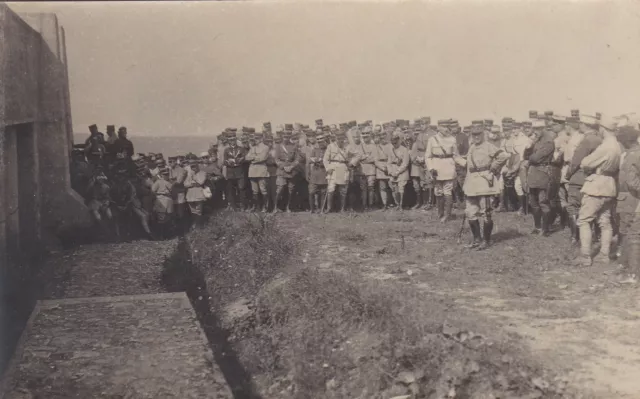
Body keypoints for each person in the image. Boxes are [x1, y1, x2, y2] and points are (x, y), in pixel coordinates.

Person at [573, 115, 622, 267]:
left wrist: (589, 166)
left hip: (596, 185)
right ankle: (604, 254)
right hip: (610, 185)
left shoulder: (606, 145)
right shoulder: (618, 145)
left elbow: (585, 163)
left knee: (584, 220)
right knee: (605, 222)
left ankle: (585, 255)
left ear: (604, 129)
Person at [462, 124, 510, 249]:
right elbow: (469, 167)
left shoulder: (488, 146)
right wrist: (466, 184)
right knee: (470, 212)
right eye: (474, 135)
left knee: (486, 212)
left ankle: (486, 240)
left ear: (483, 135)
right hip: (472, 184)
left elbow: (503, 156)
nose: (476, 137)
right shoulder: (472, 147)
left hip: (484, 183)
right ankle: (477, 239)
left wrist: (493, 169)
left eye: (478, 134)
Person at [564, 115, 603, 245]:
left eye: (581, 123)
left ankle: (575, 237)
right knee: (593, 208)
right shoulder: (600, 139)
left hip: (580, 177)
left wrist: (568, 175)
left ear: (584, 124)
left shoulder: (586, 140)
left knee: (573, 207)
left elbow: (575, 161)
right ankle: (596, 236)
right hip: (595, 177)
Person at [425, 119, 462, 222]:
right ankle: (440, 213)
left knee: (447, 191)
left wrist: (465, 163)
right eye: (444, 127)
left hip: (448, 167)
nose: (447, 129)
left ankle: (447, 215)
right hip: (436, 168)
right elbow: (427, 156)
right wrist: (431, 168)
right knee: (438, 191)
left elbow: (456, 155)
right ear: (439, 127)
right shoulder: (432, 140)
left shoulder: (452, 139)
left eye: (448, 127)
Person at [524, 120, 555, 236]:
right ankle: (537, 227)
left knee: (543, 201)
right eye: (534, 129)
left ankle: (545, 228)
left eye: (537, 129)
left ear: (543, 128)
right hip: (533, 173)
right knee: (533, 201)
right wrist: (529, 147)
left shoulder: (548, 141)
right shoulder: (536, 140)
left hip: (542, 173)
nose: (535, 131)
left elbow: (536, 158)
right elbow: (526, 156)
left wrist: (530, 157)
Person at [618, 126, 640, 278]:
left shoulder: (632, 155)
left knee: (629, 232)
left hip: (630, 197)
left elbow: (632, 181)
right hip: (630, 196)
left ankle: (629, 270)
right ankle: (625, 265)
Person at [274, 129, 301, 213]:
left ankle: (287, 207)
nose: (286, 138)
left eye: (288, 137)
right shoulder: (278, 146)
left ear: (290, 137)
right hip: (282, 171)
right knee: (280, 189)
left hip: (291, 171)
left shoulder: (294, 146)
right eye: (284, 136)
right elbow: (276, 159)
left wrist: (292, 166)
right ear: (282, 136)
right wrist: (283, 166)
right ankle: (275, 207)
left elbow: (297, 159)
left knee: (291, 189)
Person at [323, 131, 351, 212]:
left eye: (341, 138)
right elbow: (325, 159)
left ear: (344, 139)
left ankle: (342, 208)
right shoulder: (330, 146)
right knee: (330, 189)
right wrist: (328, 168)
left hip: (343, 167)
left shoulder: (348, 147)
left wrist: (352, 162)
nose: (340, 140)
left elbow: (357, 155)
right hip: (333, 168)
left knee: (343, 190)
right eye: (338, 138)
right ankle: (329, 208)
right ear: (335, 138)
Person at [245, 132, 271, 212]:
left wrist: (253, 159)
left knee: (263, 189)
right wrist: (255, 158)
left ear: (261, 139)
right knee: (254, 190)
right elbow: (246, 158)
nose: (255, 140)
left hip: (261, 171)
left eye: (256, 139)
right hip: (252, 171)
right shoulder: (252, 147)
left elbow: (262, 158)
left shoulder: (266, 147)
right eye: (254, 139)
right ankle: (256, 206)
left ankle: (265, 207)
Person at [223, 132, 248, 211]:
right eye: (230, 140)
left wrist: (238, 160)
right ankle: (234, 207)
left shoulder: (241, 149)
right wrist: (229, 162)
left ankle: (243, 206)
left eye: (233, 139)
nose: (232, 141)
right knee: (231, 190)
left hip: (239, 171)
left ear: (236, 140)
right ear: (228, 141)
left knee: (241, 189)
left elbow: (244, 158)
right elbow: (224, 161)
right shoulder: (226, 150)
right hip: (230, 172)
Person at [388, 130, 411, 210]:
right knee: (394, 189)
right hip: (393, 171)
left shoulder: (404, 150)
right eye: (392, 143)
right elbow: (389, 162)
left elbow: (405, 163)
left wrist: (397, 172)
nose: (394, 144)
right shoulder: (391, 149)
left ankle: (401, 205)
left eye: (395, 143)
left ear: (398, 141)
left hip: (402, 172)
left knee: (401, 189)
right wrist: (391, 171)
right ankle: (397, 204)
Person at [346, 128, 368, 211]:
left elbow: (367, 156)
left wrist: (359, 158)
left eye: (358, 136)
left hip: (362, 170)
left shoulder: (363, 145)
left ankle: (364, 205)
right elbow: (347, 157)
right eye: (354, 137)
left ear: (360, 136)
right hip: (352, 170)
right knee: (352, 189)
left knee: (363, 188)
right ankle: (352, 206)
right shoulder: (349, 146)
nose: (356, 138)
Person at [308, 133, 329, 213]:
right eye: (319, 140)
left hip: (324, 172)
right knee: (311, 192)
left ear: (324, 140)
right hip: (315, 173)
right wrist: (318, 159)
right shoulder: (315, 149)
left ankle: (322, 209)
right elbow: (310, 160)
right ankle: (312, 209)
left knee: (323, 193)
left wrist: (318, 160)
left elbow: (328, 160)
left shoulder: (328, 149)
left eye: (322, 139)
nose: (320, 141)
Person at [184, 159, 208, 228]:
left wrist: (194, 177)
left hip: (198, 193)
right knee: (192, 210)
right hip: (190, 194)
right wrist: (192, 183)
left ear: (197, 166)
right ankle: (195, 223)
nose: (193, 168)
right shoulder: (188, 174)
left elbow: (201, 182)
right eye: (192, 167)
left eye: (194, 166)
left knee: (199, 210)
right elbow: (185, 184)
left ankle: (199, 224)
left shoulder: (203, 173)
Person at [151, 167, 174, 238]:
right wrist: (160, 193)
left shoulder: (170, 181)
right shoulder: (158, 182)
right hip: (161, 200)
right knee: (161, 218)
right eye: (164, 174)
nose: (166, 176)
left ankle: (167, 235)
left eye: (167, 174)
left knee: (168, 218)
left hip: (169, 200)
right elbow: (152, 191)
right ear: (161, 175)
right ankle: (160, 236)